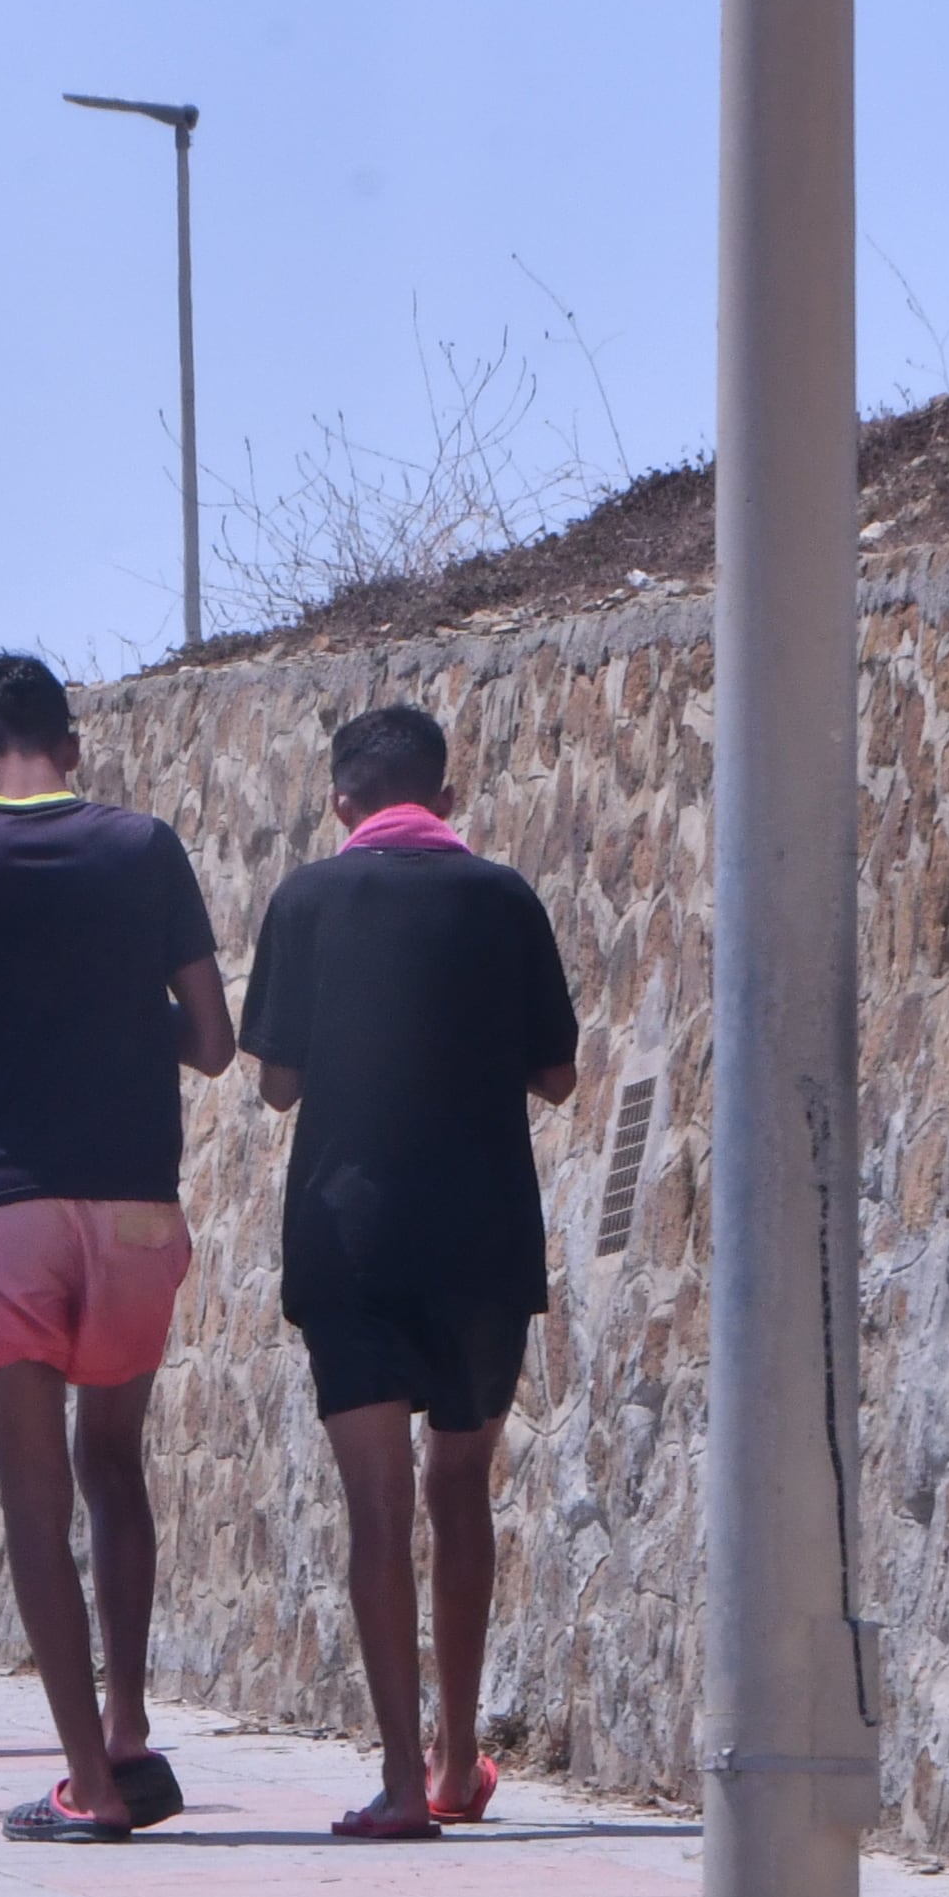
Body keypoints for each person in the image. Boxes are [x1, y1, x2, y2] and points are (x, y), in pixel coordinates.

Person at [0, 653, 234, 1842]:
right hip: (135, 1204)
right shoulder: (144, 847)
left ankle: (85, 1776)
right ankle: (129, 1728)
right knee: (114, 1466)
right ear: (70, 748)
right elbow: (215, 1040)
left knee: (33, 1500)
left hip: (6, 1212)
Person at [236, 704, 581, 1838]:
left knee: (375, 1509)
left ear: (342, 797)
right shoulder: (502, 897)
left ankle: (394, 1779)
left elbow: (277, 1085)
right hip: (481, 1235)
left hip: (348, 1237)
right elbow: (557, 1077)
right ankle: (456, 1758)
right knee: (460, 1490)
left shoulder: (303, 898)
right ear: (443, 793)